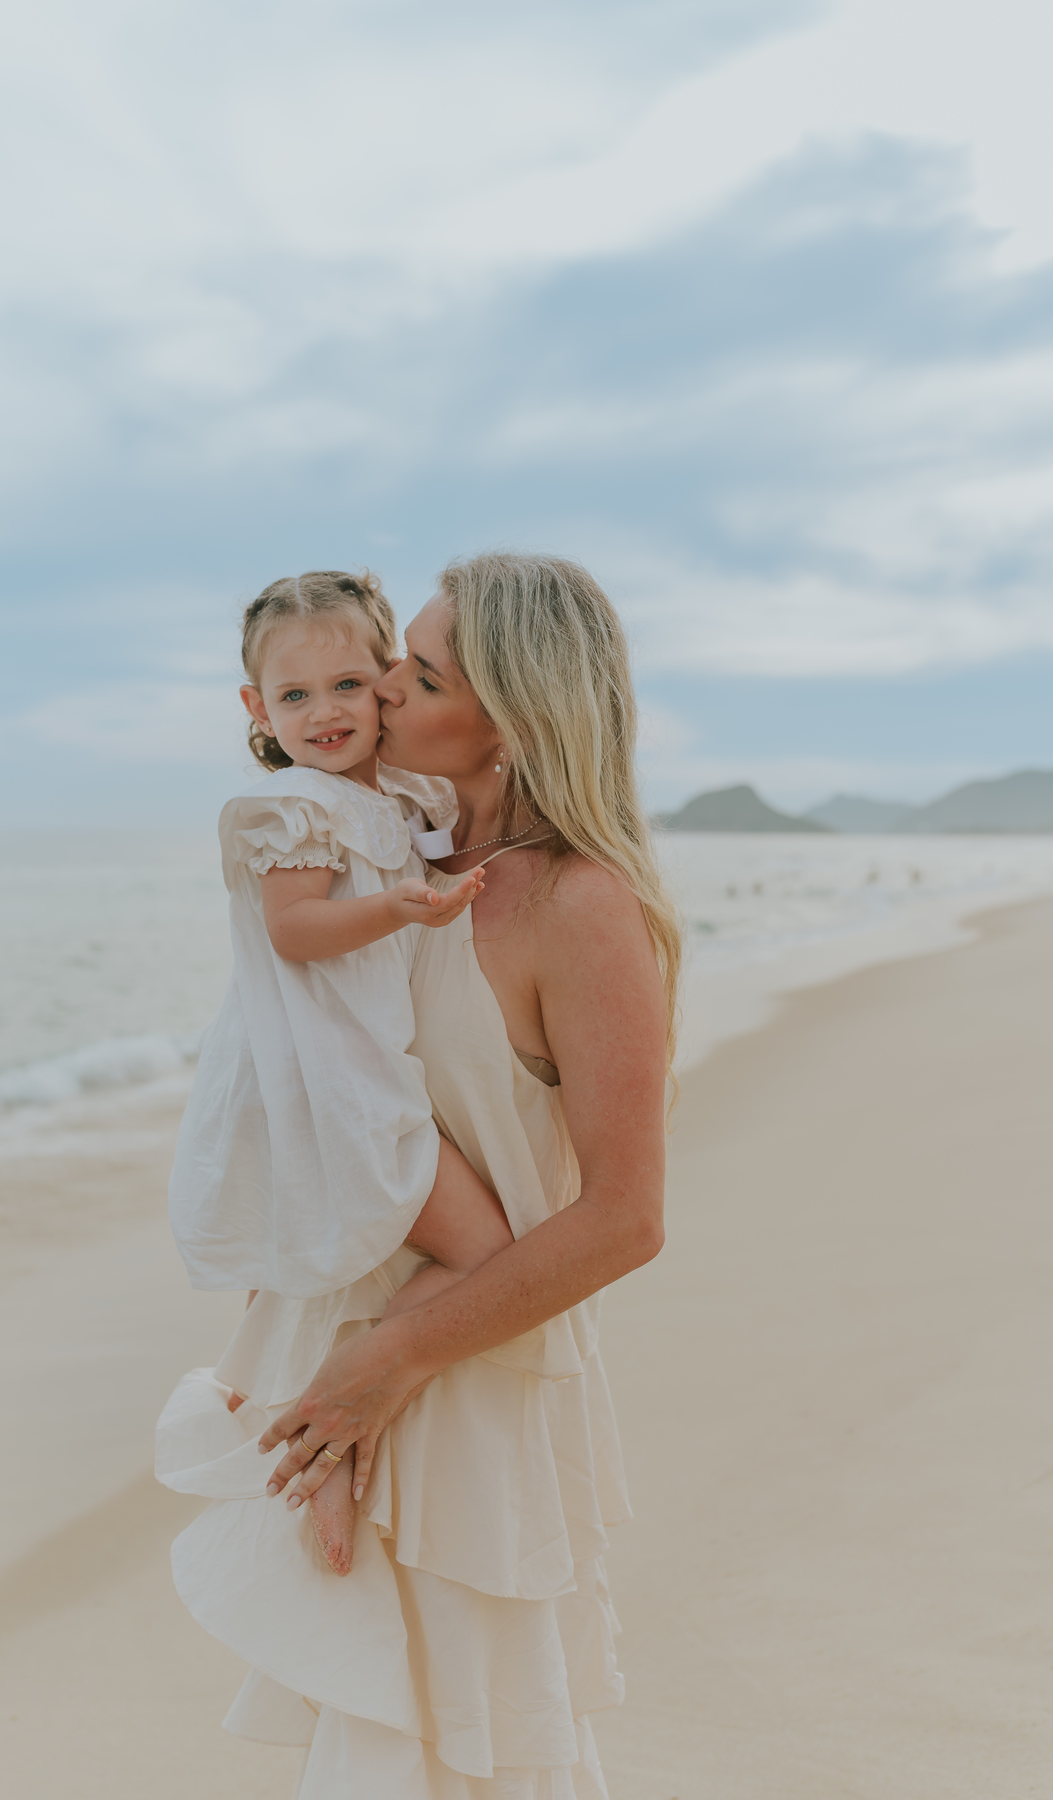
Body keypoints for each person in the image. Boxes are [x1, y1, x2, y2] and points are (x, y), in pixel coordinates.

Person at [157, 552, 680, 1798]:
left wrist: (385, 1363)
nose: (382, 687)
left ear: (507, 713)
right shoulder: (401, 850)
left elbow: (626, 1218)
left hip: (461, 1373)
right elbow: (321, 1081)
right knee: (373, 1747)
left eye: (418, 670)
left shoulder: (581, 903)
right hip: (340, 1362)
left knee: (467, 1747)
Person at [168, 568, 509, 1573]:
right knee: (483, 1251)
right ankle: (326, 1427)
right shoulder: (295, 806)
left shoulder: (402, 793)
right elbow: (298, 930)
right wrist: (399, 907)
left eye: (349, 686)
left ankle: (296, 1420)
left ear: (390, 680)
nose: (324, 714)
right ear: (255, 709)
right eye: (295, 695)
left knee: (317, 1271)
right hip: (325, 1075)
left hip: (366, 1062)